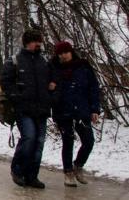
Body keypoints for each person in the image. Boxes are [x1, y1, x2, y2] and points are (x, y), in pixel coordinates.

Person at [0, 29, 52, 189]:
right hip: (23, 109)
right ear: (28, 42)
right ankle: (17, 170)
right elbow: (6, 82)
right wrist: (18, 97)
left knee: (39, 143)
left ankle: (32, 176)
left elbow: (51, 79)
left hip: (42, 109)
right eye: (36, 41)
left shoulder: (43, 61)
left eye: (40, 41)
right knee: (29, 138)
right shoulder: (14, 60)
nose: (39, 44)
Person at [49, 41, 101, 187]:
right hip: (62, 110)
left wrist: (95, 109)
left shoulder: (83, 66)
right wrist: (51, 88)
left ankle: (78, 165)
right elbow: (47, 87)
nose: (63, 56)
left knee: (89, 141)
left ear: (71, 52)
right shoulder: (53, 68)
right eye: (60, 53)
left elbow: (93, 88)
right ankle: (68, 173)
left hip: (82, 110)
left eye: (66, 52)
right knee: (68, 141)